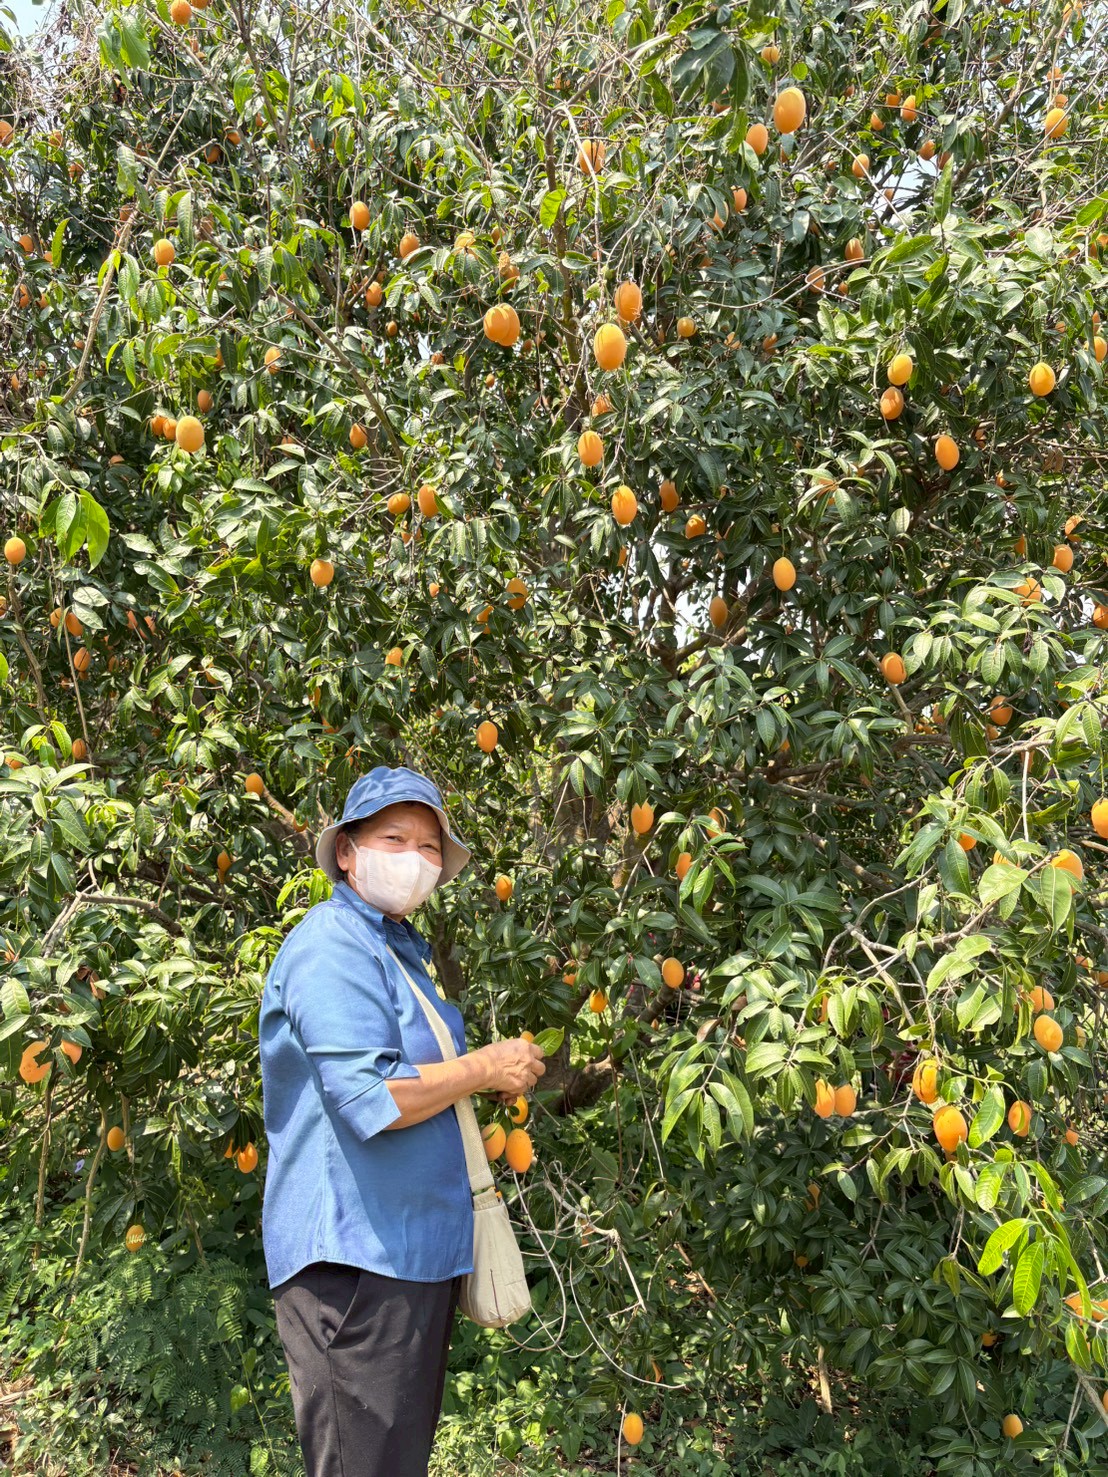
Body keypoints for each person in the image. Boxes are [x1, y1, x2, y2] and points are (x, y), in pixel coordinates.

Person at [258, 765, 545, 1477]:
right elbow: (373, 1097)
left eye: (428, 846)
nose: (414, 857)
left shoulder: (398, 950)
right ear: (347, 850)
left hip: (407, 1255)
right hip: (354, 1262)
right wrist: (482, 1067)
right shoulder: (333, 944)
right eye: (395, 837)